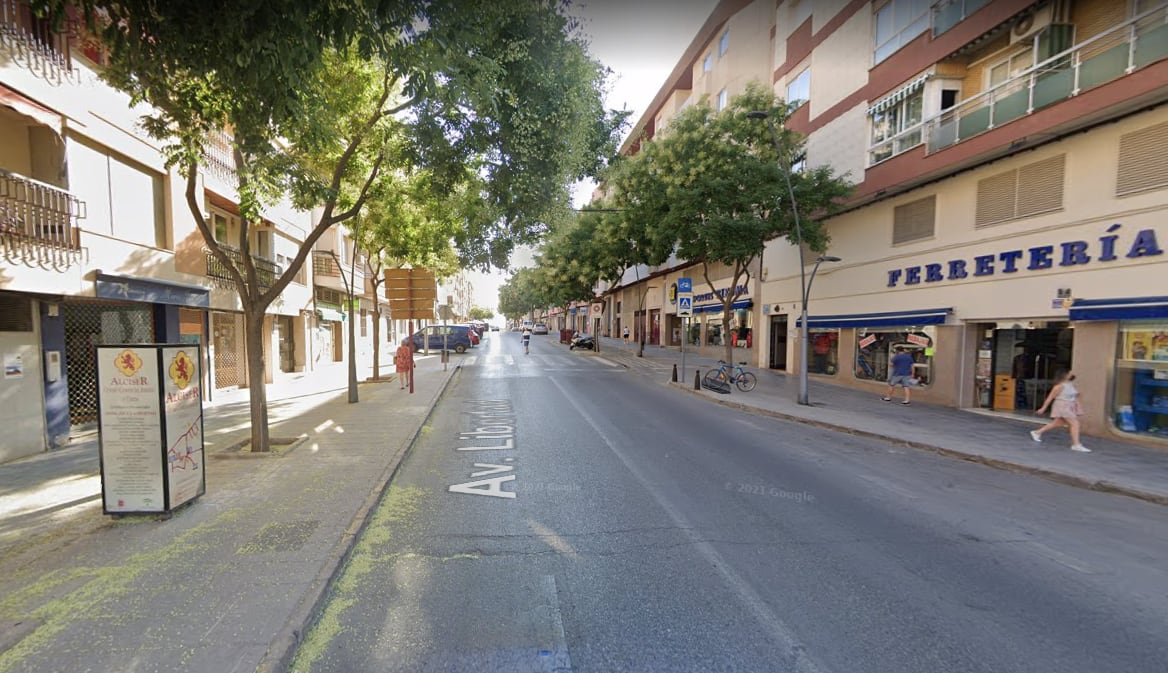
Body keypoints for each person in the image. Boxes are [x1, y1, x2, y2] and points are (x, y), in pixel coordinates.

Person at [1030, 369, 1090, 452]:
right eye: (1069, 373)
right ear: (1064, 375)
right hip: (1062, 406)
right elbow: (1050, 398)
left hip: (1069, 406)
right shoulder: (1059, 386)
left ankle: (1037, 432)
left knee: (1058, 423)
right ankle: (1076, 444)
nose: (1070, 374)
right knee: (1075, 423)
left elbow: (1074, 394)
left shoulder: (1070, 384)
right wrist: (1043, 408)